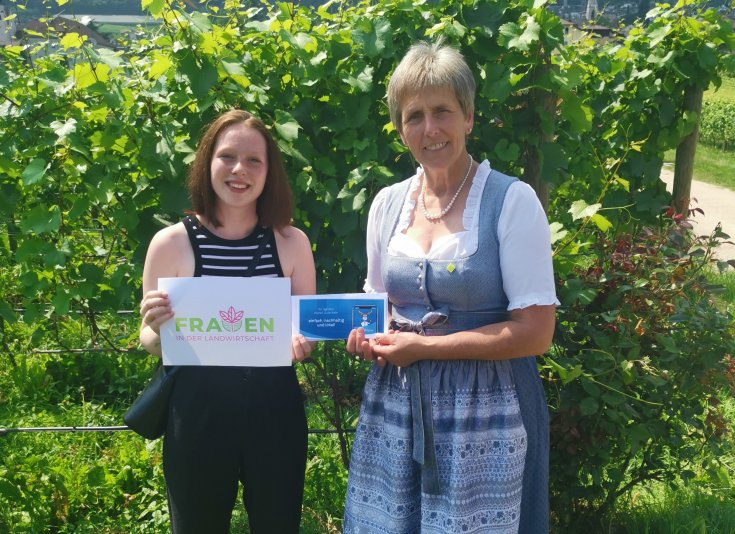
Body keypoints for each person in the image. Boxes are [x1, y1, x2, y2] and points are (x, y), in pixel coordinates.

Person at [343, 41, 559, 534]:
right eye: (414, 115)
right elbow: (377, 305)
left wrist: (425, 347)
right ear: (400, 128)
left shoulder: (511, 201)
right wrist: (366, 336)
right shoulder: (388, 204)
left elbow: (535, 333)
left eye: (443, 111)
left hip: (490, 410)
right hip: (397, 405)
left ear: (469, 117)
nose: (430, 128)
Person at [138, 109, 315, 534]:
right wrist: (156, 328)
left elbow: (303, 328)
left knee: (278, 526)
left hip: (275, 410)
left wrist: (303, 341)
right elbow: (148, 339)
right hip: (197, 413)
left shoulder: (292, 243)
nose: (240, 170)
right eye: (227, 156)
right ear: (207, 162)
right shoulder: (171, 243)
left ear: (269, 171)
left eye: (255, 160)